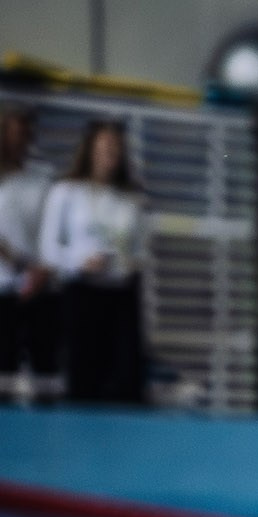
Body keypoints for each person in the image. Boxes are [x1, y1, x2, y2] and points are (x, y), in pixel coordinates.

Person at [38, 118, 147, 406]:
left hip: (121, 295)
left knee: (125, 379)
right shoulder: (66, 192)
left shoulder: (129, 199)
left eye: (116, 148)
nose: (111, 153)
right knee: (84, 377)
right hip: (82, 293)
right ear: (91, 149)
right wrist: (78, 261)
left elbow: (140, 250)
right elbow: (48, 249)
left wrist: (125, 263)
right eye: (105, 146)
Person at [0, 107, 60, 404]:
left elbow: (57, 230)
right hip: (3, 287)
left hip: (39, 288)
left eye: (24, 133)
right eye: (11, 132)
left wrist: (42, 271)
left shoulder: (44, 178)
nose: (17, 140)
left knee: (44, 370)